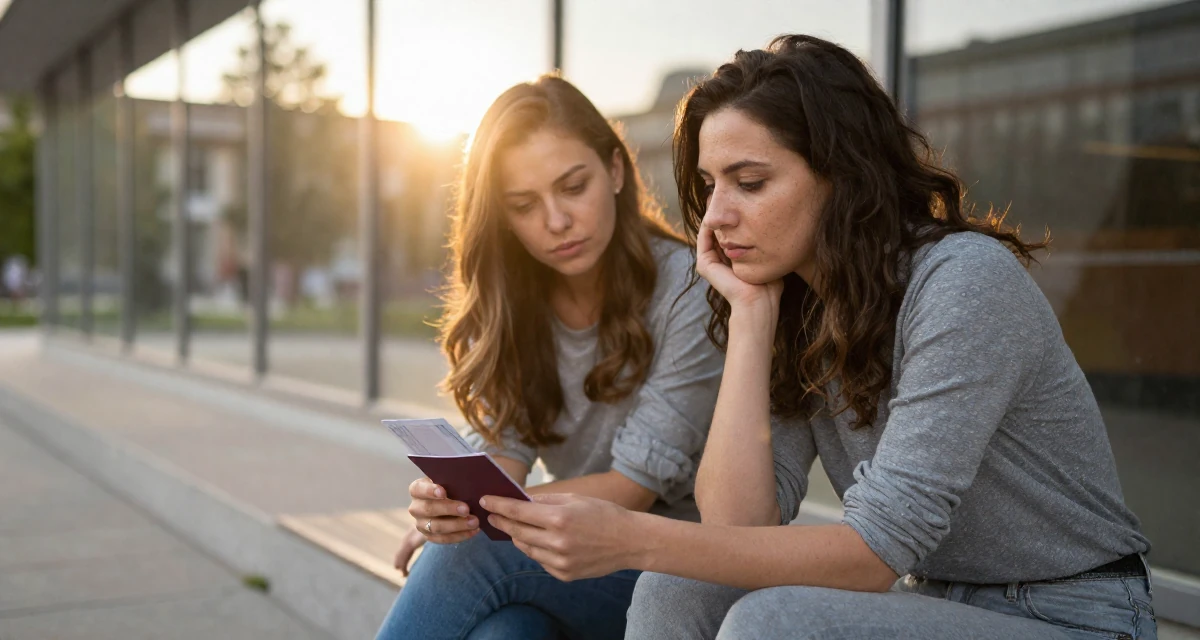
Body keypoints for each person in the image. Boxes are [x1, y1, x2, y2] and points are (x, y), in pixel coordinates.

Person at [478, 36, 1156, 639]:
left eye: (750, 183)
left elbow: (873, 555)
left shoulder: (962, 282)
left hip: (1074, 616)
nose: (715, 217)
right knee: (675, 588)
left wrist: (634, 538)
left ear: (841, 176)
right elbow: (738, 528)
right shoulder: (797, 307)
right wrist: (750, 317)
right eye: (711, 186)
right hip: (933, 603)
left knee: (771, 623)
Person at [374, 74, 724, 640]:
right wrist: (450, 507)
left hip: (676, 573)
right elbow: (504, 455)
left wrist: (479, 516)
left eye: (573, 187)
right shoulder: (517, 303)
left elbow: (631, 489)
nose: (556, 221)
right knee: (504, 634)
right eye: (524, 205)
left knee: (475, 552)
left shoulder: (688, 289)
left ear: (615, 170)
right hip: (568, 563)